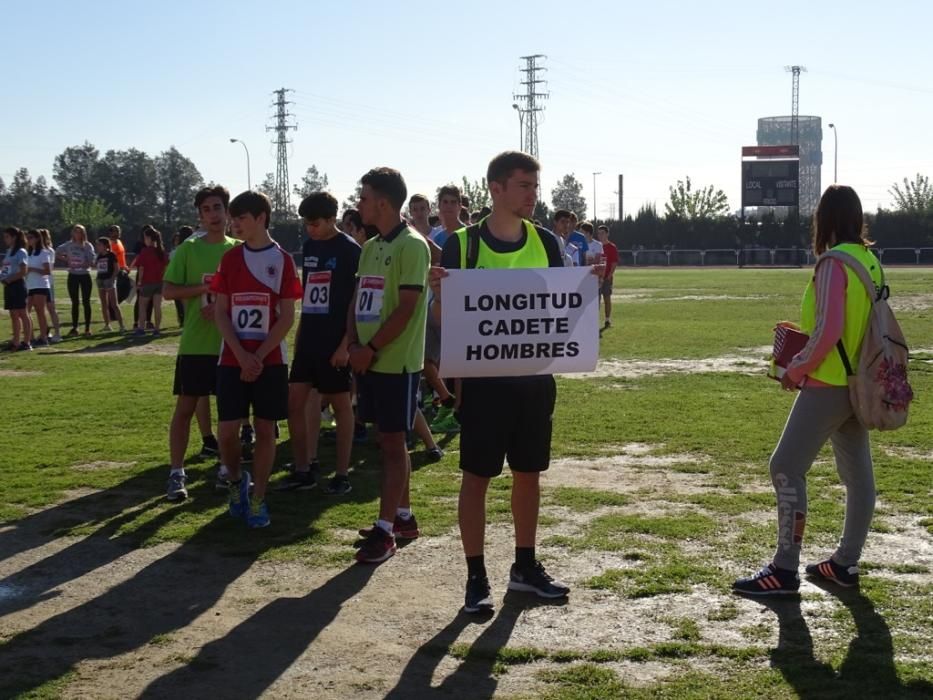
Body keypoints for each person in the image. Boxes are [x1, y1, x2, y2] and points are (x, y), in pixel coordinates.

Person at [431, 151, 572, 614]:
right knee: (477, 478)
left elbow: (560, 313)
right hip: (483, 385)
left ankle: (525, 567)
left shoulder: (547, 242)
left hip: (534, 382)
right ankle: (475, 577)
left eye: (535, 185)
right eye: (524, 186)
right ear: (496, 188)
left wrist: (585, 289)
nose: (534, 194)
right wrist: (438, 294)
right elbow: (445, 320)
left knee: (528, 475)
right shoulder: (463, 246)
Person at [733, 185, 884, 596]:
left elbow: (830, 328)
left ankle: (783, 569)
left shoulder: (834, 263)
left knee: (785, 466)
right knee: (858, 477)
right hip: (859, 383)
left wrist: (797, 368)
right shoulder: (869, 260)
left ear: (825, 219)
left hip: (828, 384)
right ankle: (845, 563)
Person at [347, 166, 431, 564]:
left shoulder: (413, 246)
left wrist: (372, 347)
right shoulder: (369, 246)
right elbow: (358, 299)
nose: (358, 204)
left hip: (396, 363)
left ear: (383, 202)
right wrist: (351, 342)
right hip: (369, 360)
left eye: (363, 197)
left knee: (394, 444)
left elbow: (408, 308)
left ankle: (385, 533)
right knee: (387, 440)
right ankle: (403, 517)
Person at [210, 190, 302, 528]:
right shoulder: (230, 259)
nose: (234, 224)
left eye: (241, 218)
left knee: (265, 429)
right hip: (232, 360)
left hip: (270, 361)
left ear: (261, 218)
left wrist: (258, 357)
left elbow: (288, 316)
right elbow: (221, 313)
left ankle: (259, 497)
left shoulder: (283, 261)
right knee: (228, 432)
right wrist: (241, 354)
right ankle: (237, 482)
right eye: (234, 218)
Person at [281, 191, 360, 495]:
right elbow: (310, 292)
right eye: (306, 224)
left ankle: (342, 473)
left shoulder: (350, 250)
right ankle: (304, 467)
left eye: (315, 223)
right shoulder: (310, 245)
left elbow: (354, 300)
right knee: (295, 402)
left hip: (335, 340)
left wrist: (345, 344)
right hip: (310, 337)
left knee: (341, 406)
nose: (309, 229)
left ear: (331, 219)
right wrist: (300, 334)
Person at [162, 186, 238, 500]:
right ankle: (176, 473)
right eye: (206, 209)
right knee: (185, 409)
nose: (213, 214)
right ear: (199, 215)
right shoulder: (188, 250)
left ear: (227, 211)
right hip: (195, 343)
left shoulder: (238, 250)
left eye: (218, 207)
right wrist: (200, 291)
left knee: (230, 413)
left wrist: (223, 303)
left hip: (230, 343)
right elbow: (167, 291)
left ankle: (226, 470)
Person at [56, 224, 95, 336]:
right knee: (75, 302)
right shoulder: (68, 245)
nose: (77, 234)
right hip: (73, 275)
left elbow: (92, 261)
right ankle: (75, 327)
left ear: (83, 234)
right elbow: (57, 252)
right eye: (75, 231)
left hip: (84, 275)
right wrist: (66, 259)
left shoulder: (87, 245)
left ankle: (87, 328)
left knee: (86, 302)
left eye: (80, 232)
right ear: (72, 233)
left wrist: (84, 264)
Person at [131, 227, 168, 336]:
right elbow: (167, 266)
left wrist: (139, 282)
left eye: (145, 238)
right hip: (159, 282)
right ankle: (157, 329)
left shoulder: (145, 251)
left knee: (142, 306)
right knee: (157, 306)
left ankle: (141, 328)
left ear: (149, 238)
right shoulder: (161, 251)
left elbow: (141, 268)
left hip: (147, 282)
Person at [2, 227, 32, 350]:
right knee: (13, 314)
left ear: (14, 237)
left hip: (18, 285)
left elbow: (23, 271)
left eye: (7, 237)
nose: (5, 239)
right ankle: (15, 341)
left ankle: (26, 342)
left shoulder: (21, 252)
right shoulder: (9, 251)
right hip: (8, 286)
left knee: (22, 314)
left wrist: (10, 279)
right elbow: (6, 269)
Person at [25, 229, 54, 346]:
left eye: (31, 237)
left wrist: (32, 269)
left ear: (37, 239)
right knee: (25, 312)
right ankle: (30, 337)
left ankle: (43, 337)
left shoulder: (43, 252)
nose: (28, 240)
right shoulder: (29, 253)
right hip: (30, 285)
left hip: (41, 285)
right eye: (27, 237)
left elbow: (47, 271)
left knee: (40, 311)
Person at [95, 237, 124, 332]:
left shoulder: (111, 255)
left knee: (114, 304)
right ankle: (107, 325)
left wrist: (112, 279)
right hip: (100, 280)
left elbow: (117, 268)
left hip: (109, 280)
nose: (97, 247)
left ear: (105, 246)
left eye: (99, 245)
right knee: (104, 304)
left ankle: (121, 326)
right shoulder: (99, 256)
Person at [170, 226, 195, 327]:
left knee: (182, 304)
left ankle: (184, 321)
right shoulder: (196, 247)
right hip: (193, 278)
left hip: (180, 280)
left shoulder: (178, 250)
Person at [408, 193, 443, 264]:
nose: (419, 213)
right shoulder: (407, 238)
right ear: (410, 212)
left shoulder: (439, 234)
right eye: (415, 209)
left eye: (422, 208)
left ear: (429, 210)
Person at [597, 225, 618, 329]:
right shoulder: (596, 246)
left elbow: (614, 263)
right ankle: (594, 320)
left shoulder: (611, 247)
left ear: (607, 234)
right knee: (595, 300)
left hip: (606, 278)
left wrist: (609, 275)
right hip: (596, 278)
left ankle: (607, 319)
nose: (600, 235)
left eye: (602, 233)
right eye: (599, 233)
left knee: (607, 298)